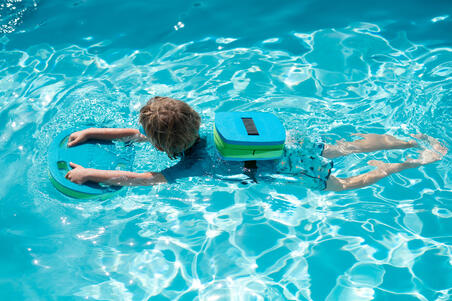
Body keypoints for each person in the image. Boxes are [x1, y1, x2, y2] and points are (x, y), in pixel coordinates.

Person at [65, 96, 448, 191]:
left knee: (342, 186)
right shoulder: (209, 132)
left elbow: (144, 178)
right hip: (288, 143)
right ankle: (404, 141)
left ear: (165, 146)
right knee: (344, 147)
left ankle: (415, 161)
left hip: (289, 166)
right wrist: (94, 134)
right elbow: (140, 135)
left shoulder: (190, 164)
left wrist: (88, 174)